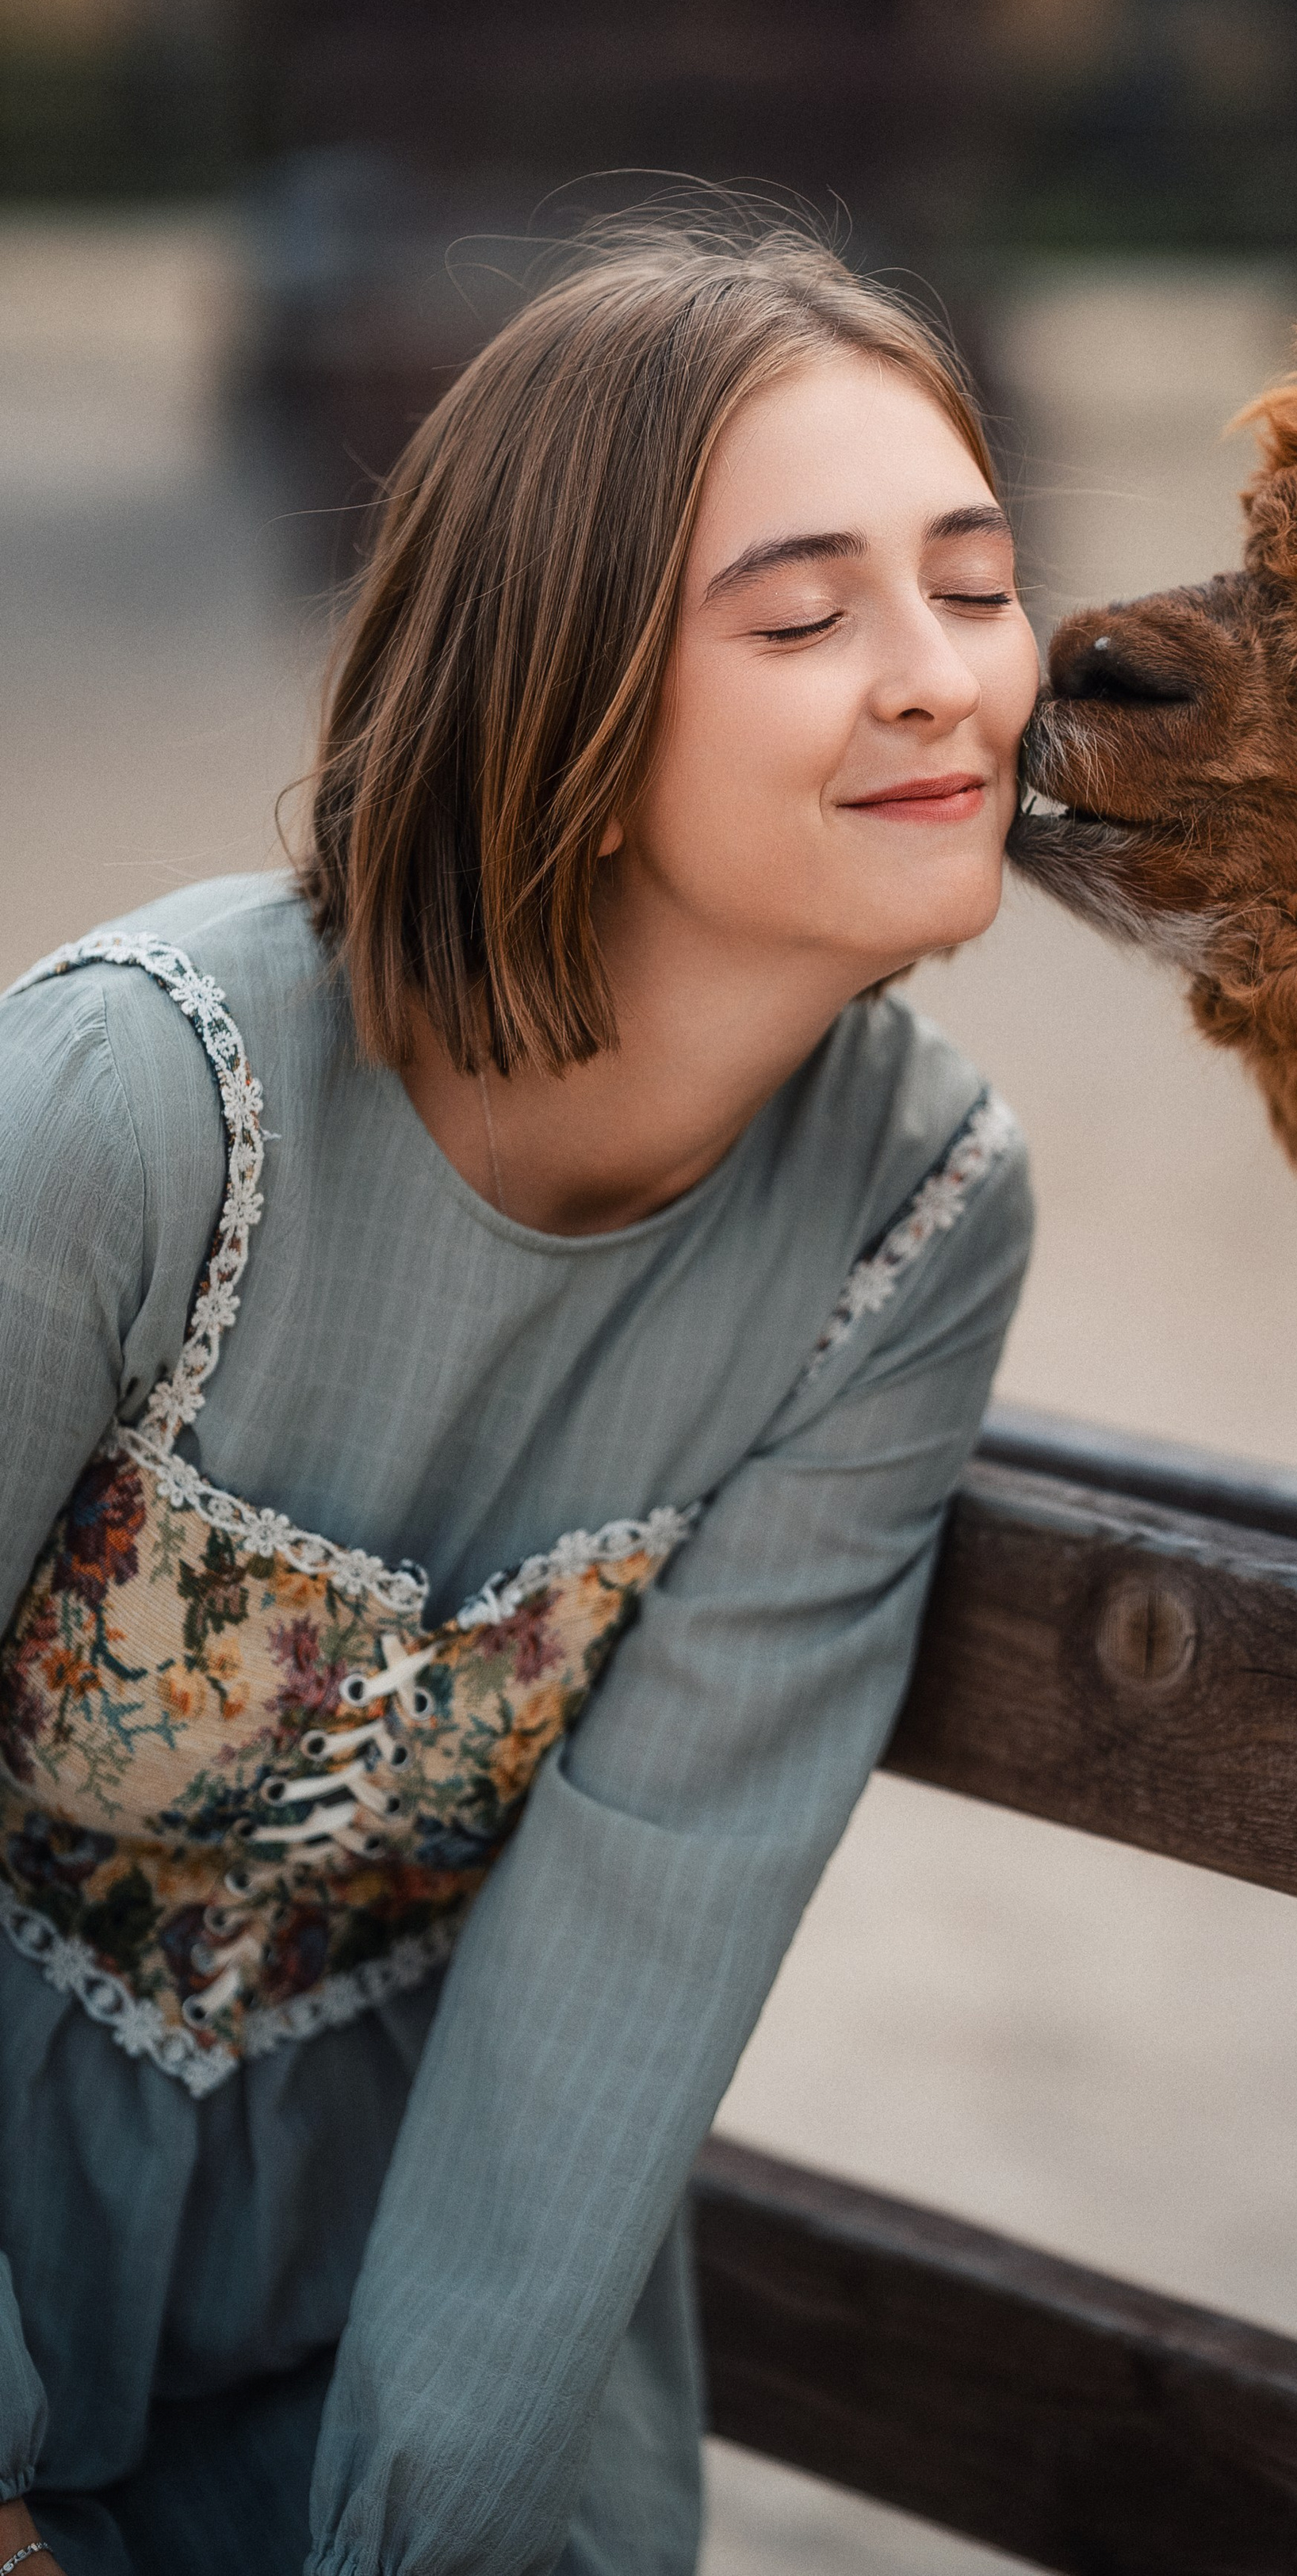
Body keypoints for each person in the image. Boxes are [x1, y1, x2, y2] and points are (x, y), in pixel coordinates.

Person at [0, 220, 1038, 2576]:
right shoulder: (130, 1108)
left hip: (395, 2310)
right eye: (804, 617)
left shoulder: (919, 1219)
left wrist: (415, 2535)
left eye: (974, 586)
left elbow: (641, 1951)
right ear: (556, 701)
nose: (941, 684)